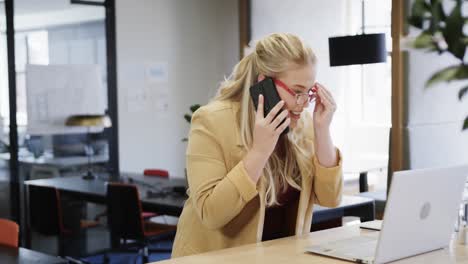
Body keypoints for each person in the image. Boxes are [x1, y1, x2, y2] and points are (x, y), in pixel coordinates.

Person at [172, 33, 342, 258]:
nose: (302, 104)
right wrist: (260, 152)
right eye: (297, 91)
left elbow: (331, 199)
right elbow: (211, 213)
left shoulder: (303, 124)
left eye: (308, 93)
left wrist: (323, 131)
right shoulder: (210, 121)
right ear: (265, 84)